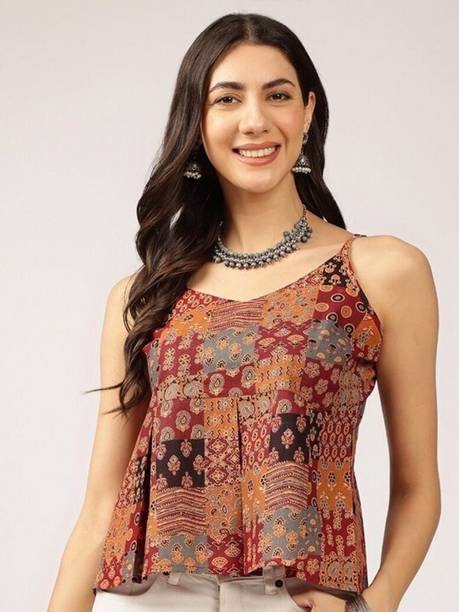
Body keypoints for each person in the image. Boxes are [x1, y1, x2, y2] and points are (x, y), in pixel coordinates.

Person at [47, 12, 441, 612]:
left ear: (308, 112)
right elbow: (99, 510)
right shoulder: (143, 298)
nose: (255, 120)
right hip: (153, 599)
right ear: (198, 122)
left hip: (295, 596)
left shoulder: (380, 271)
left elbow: (417, 487)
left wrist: (372, 604)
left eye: (277, 95)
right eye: (227, 98)